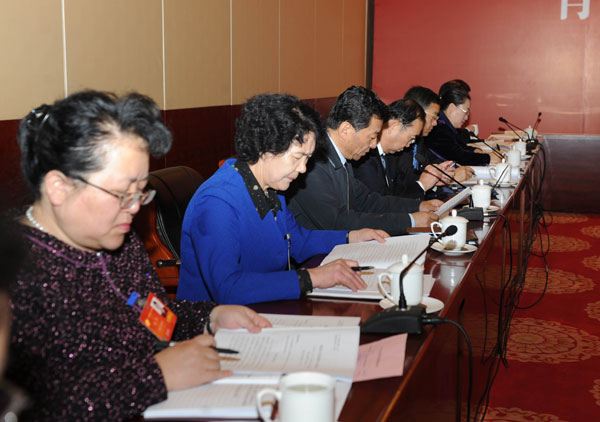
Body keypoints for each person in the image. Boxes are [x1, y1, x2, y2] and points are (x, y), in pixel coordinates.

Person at [7, 91, 271, 421]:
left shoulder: (117, 235)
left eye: (140, 192)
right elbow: (36, 408)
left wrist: (209, 318)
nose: (134, 208)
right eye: (122, 193)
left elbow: (151, 314)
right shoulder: (13, 272)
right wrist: (155, 376)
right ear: (58, 187)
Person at [177, 94, 388, 305]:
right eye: (297, 157)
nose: (303, 168)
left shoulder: (271, 187)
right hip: (216, 318)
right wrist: (311, 278)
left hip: (264, 305)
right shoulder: (216, 202)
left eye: (307, 159)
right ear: (265, 148)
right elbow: (228, 288)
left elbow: (296, 240)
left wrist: (350, 237)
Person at [287, 86, 441, 235]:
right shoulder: (312, 164)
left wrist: (418, 206)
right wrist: (410, 221)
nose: (374, 145)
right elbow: (337, 222)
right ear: (346, 130)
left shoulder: (341, 156)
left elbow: (368, 201)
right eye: (372, 137)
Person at [353, 98, 448, 199]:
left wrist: (432, 180)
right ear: (394, 126)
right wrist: (422, 185)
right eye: (411, 138)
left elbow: (399, 192)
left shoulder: (392, 156)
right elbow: (379, 202)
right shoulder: (365, 155)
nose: (409, 145)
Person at [402, 86, 474, 189]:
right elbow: (405, 184)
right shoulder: (400, 146)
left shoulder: (419, 141)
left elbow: (432, 163)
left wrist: (449, 171)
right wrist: (451, 176)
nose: (435, 123)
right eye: (433, 118)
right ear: (417, 113)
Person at [424, 86, 500, 166]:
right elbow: (459, 156)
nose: (466, 118)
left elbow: (460, 146)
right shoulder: (438, 128)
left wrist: (475, 150)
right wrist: (488, 158)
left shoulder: (447, 126)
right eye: (465, 112)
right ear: (452, 108)